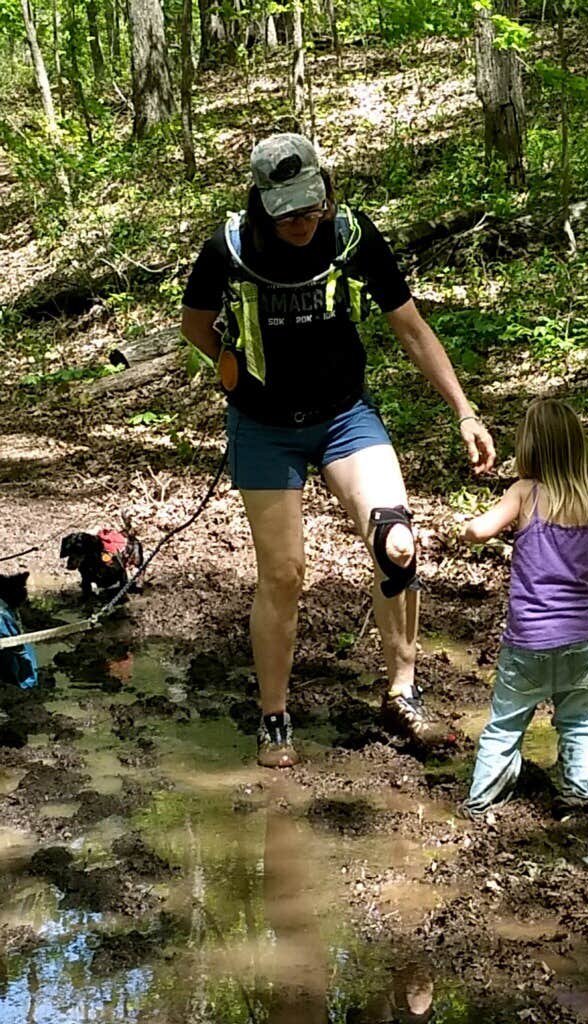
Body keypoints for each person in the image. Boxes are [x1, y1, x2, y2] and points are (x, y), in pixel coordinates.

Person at [181, 133, 495, 768]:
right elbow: (193, 322)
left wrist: (464, 410)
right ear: (262, 205)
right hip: (263, 426)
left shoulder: (351, 235)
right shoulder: (229, 248)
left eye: (311, 207)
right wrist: (227, 361)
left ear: (326, 192)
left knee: (397, 543)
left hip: (344, 416)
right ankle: (274, 716)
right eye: (287, 214)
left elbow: (411, 327)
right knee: (283, 573)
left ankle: (402, 693)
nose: (302, 223)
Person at [458, 397, 588, 819]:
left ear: (529, 447)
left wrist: (470, 530)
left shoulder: (524, 493)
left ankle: (480, 802)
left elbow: (478, 530)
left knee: (505, 725)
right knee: (578, 720)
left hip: (528, 640)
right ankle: (578, 793)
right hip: (580, 640)